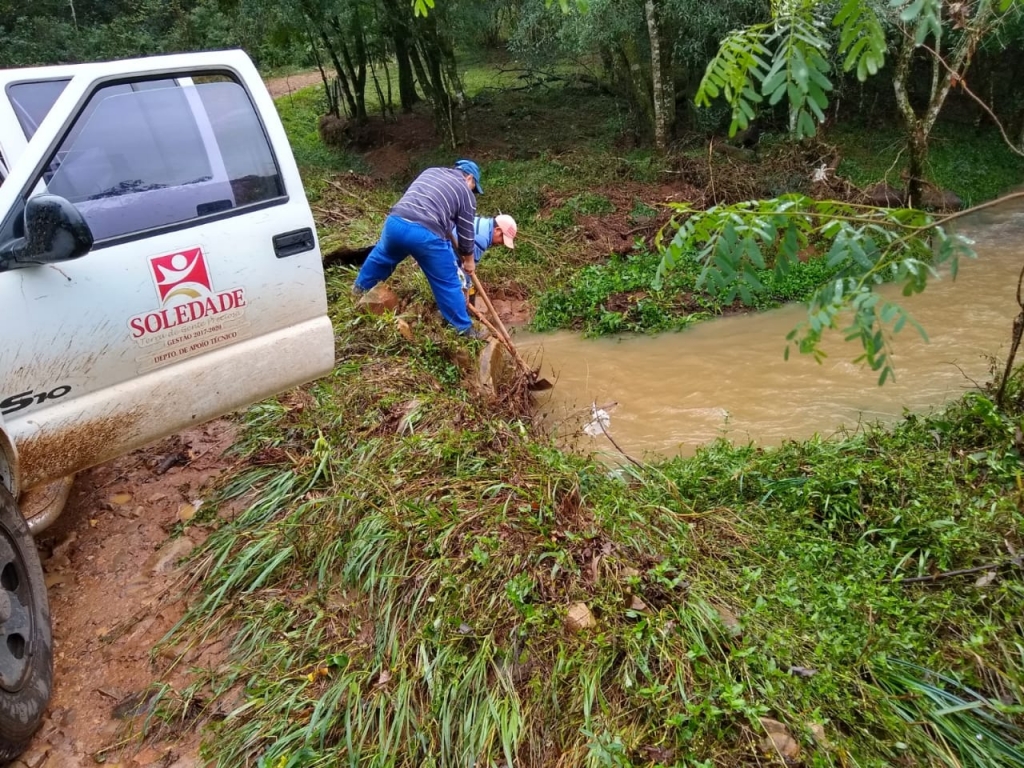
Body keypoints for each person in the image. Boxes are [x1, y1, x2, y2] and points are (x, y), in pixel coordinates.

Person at [353, 159, 485, 338]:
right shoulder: (465, 192)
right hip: (425, 235)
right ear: (469, 178)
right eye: (474, 187)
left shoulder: (431, 171)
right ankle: (464, 329)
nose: (473, 192)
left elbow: (427, 203)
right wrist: (469, 261)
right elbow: (466, 233)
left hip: (396, 222)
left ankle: (358, 291)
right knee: (447, 281)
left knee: (381, 258)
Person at [454, 214, 518, 302]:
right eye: (503, 240)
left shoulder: (483, 223)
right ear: (497, 230)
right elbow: (468, 269)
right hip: (446, 251)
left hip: (447, 242)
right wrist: (466, 290)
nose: (502, 243)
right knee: (457, 293)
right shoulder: (482, 239)